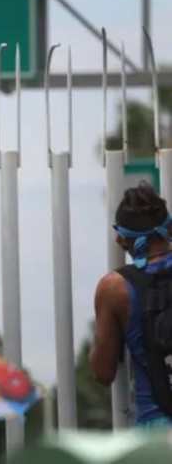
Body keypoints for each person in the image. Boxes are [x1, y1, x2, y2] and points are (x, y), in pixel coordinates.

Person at [90, 182, 172, 428]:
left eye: (120, 232)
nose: (117, 239)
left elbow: (103, 373)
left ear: (128, 240)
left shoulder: (114, 288)